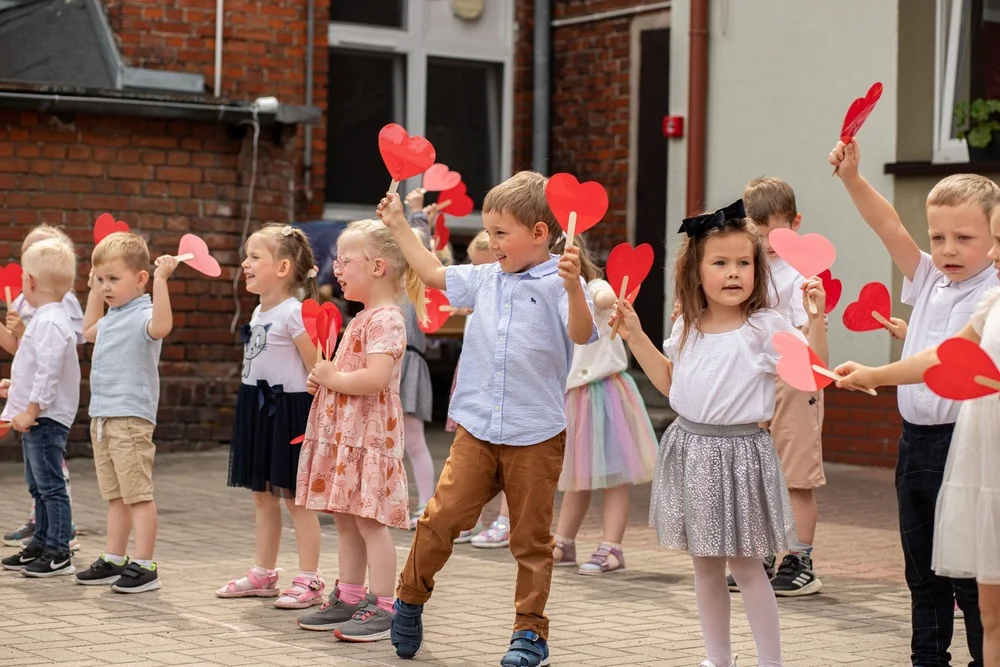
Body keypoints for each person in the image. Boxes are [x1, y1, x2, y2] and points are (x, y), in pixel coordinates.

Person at [377, 170, 598, 667]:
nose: (492, 242)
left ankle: (529, 634)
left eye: (502, 233)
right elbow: (432, 273)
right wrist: (398, 225)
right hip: (477, 430)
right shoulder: (485, 279)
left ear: (539, 234)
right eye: (490, 231)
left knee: (531, 540)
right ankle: (409, 600)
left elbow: (582, 336)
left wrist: (577, 289)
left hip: (536, 435)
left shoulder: (564, 282)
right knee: (439, 520)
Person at [612, 200, 828, 667]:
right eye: (721, 263)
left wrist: (814, 320)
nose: (734, 273)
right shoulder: (686, 325)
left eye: (744, 263)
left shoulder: (765, 327)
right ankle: (718, 658)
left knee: (748, 566)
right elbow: (671, 384)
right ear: (696, 271)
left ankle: (770, 660)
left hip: (741, 453)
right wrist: (634, 336)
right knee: (705, 565)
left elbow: (812, 376)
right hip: (691, 448)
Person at [830, 138, 994, 665]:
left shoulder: (992, 292)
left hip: (964, 448)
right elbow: (889, 227)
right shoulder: (927, 277)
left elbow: (949, 358)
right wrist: (853, 177)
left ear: (995, 239)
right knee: (921, 570)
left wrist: (877, 371)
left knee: (968, 574)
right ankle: (928, 658)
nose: (947, 249)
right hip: (915, 446)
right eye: (939, 236)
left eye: (964, 238)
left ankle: (981, 656)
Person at [295, 219, 425, 642]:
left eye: (345, 260)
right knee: (347, 518)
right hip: (348, 434)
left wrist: (334, 378)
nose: (337, 269)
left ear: (378, 267)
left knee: (369, 522)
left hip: (368, 437)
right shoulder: (363, 317)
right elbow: (350, 373)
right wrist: (326, 380)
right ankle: (350, 596)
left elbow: (375, 379)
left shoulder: (386, 319)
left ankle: (384, 605)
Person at [216, 224, 325, 610]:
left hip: (289, 412)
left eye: (254, 256)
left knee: (296, 500)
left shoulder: (294, 314)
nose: (244, 263)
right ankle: (264, 573)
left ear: (282, 268)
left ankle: (310, 578)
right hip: (256, 408)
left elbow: (318, 370)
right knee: (262, 497)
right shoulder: (260, 308)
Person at [73, 232, 176, 593]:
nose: (105, 286)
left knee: (138, 495)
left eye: (113, 279)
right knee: (115, 496)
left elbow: (163, 326)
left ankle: (145, 565)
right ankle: (114, 558)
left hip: (130, 418)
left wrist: (162, 282)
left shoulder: (144, 313)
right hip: (103, 417)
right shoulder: (113, 316)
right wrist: (91, 289)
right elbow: (87, 331)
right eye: (100, 279)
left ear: (141, 278)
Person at [550, 235, 657, 575]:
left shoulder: (594, 286)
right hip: (574, 397)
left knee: (614, 475)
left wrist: (606, 295)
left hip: (606, 393)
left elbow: (606, 296)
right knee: (577, 476)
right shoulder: (553, 298)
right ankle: (564, 541)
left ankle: (612, 546)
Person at [1, 224, 84, 552]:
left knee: (50, 486)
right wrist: (17, 385)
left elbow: (50, 368)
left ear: (31, 279)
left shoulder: (51, 319)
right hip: (36, 411)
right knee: (39, 485)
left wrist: (32, 408)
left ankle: (58, 548)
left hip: (44, 414)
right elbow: (31, 359)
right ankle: (41, 542)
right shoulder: (42, 314)